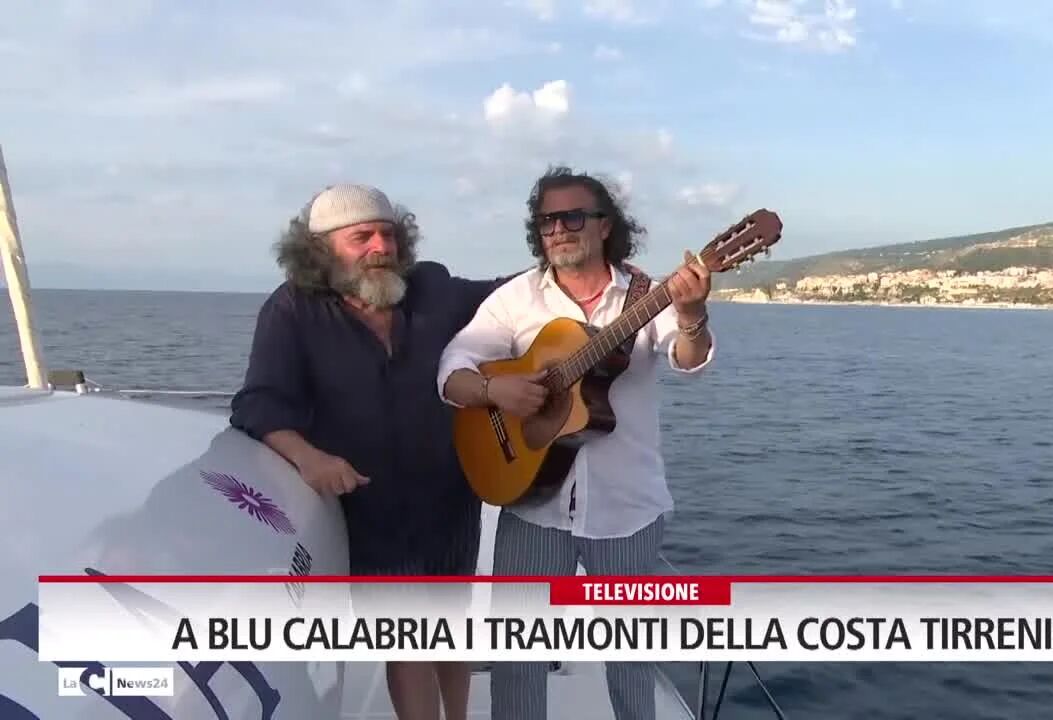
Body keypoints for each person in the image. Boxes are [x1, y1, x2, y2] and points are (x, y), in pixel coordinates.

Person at [436, 166, 715, 720]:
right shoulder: (518, 298)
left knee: (632, 661)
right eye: (546, 221)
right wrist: (497, 390)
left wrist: (690, 314)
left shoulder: (645, 295)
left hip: (626, 510)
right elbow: (452, 369)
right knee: (518, 659)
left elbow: (690, 361)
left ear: (605, 225)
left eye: (571, 216)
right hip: (533, 505)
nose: (558, 229)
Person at [229, 184, 504, 720]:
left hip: (449, 497)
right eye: (363, 237)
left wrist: (592, 272)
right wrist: (308, 458)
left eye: (389, 234)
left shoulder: (432, 287)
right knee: (407, 643)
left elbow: (509, 296)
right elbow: (258, 403)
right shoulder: (291, 310)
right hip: (370, 508)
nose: (382, 246)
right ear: (321, 249)